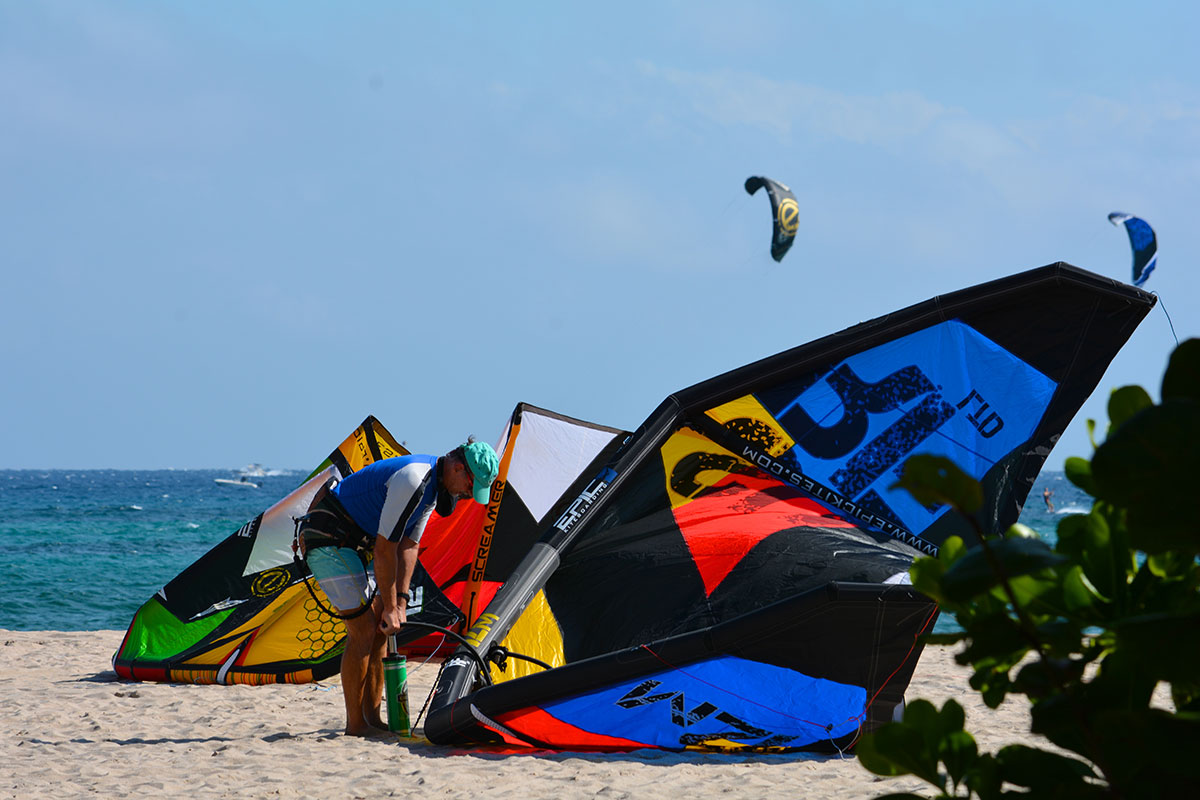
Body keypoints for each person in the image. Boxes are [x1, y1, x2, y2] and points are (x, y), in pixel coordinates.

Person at [297, 439, 499, 737]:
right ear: (457, 468)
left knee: (381, 627)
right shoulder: (414, 478)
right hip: (327, 538)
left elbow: (409, 546)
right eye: (470, 487)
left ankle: (373, 718)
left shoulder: (434, 490)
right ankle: (356, 725)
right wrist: (390, 607)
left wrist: (399, 603)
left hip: (354, 544)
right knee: (364, 630)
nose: (468, 495)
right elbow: (384, 549)